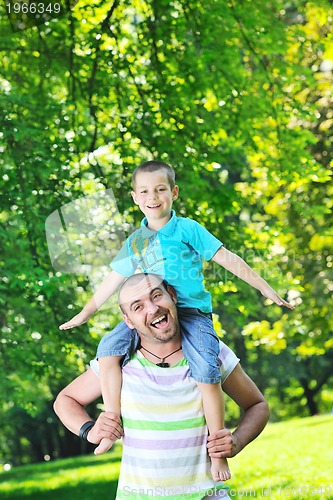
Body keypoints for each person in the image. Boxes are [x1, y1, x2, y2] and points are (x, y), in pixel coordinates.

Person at [59, 161, 292, 480]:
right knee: (108, 349)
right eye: (144, 191)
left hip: (191, 314)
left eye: (160, 189)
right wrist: (85, 313)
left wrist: (266, 288)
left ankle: (218, 451)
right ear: (134, 197)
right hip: (151, 316)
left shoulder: (188, 229)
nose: (152, 197)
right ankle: (111, 423)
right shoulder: (136, 240)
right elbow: (112, 281)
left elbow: (228, 259)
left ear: (174, 192)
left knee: (206, 371)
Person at [54, 273, 270, 500]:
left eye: (156, 296)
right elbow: (65, 400)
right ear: (128, 320)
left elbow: (257, 405)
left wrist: (236, 441)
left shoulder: (208, 354)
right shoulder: (117, 363)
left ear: (173, 296)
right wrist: (90, 431)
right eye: (138, 307)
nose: (153, 309)